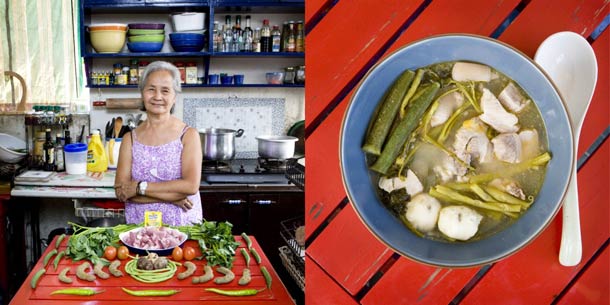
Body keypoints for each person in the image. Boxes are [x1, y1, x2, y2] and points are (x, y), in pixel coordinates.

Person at [114, 61, 203, 226]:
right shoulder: (130, 139)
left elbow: (190, 186)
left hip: (182, 227)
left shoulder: (188, 135)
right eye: (151, 89)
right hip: (139, 230)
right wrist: (173, 197)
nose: (157, 97)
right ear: (142, 93)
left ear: (174, 97)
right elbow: (121, 191)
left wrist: (139, 188)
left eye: (165, 90)